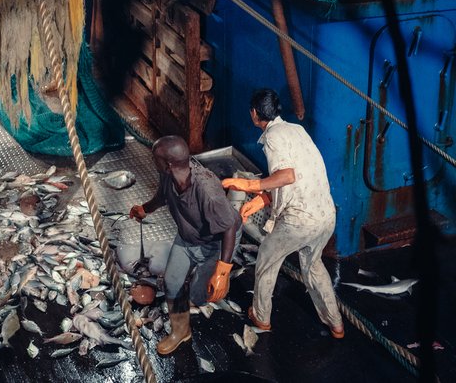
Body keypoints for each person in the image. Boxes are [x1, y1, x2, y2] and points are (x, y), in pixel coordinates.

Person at [222, 88, 344, 339]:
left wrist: (249, 185)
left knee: (267, 260)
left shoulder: (273, 138)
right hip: (326, 214)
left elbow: (285, 176)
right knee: (313, 265)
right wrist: (256, 202)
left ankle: (261, 317)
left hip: (300, 221)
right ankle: (336, 324)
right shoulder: (296, 130)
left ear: (254, 114)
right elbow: (293, 180)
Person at [129, 136, 241, 355]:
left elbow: (228, 228)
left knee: (201, 294)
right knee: (172, 283)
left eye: (156, 158)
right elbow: (162, 196)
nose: (154, 162)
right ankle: (181, 332)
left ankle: (212, 286)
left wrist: (222, 272)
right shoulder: (169, 175)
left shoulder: (207, 189)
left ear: (168, 163)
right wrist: (144, 209)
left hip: (216, 242)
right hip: (187, 238)